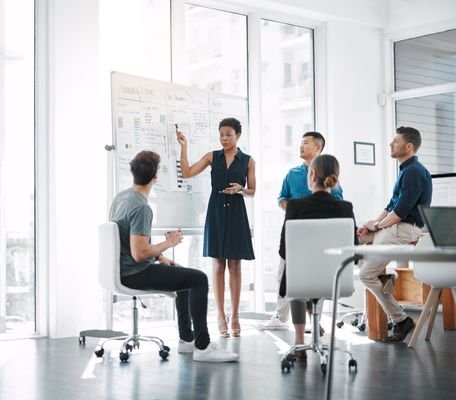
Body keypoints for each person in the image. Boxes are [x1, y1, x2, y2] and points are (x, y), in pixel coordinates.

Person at [110, 150, 239, 362]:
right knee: (199, 279)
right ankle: (203, 347)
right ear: (155, 177)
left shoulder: (121, 198)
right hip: (135, 272)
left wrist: (161, 258)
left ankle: (187, 340)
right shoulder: (141, 207)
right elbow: (139, 253)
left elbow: (129, 241)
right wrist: (168, 244)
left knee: (181, 274)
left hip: (124, 269)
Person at [176, 117, 255, 338]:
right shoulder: (212, 156)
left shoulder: (248, 161)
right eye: (221, 135)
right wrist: (184, 147)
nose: (224, 138)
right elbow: (188, 172)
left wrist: (241, 189)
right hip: (217, 212)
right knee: (219, 265)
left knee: (236, 266)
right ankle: (220, 315)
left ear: (238, 135)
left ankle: (236, 315)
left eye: (229, 134)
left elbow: (253, 191)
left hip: (237, 212)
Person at [262, 131, 343, 330]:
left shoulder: (328, 175)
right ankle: (281, 318)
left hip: (319, 238)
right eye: (300, 143)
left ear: (318, 147)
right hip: (293, 232)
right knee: (284, 275)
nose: (300, 146)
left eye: (305, 143)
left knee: (314, 278)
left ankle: (314, 321)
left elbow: (338, 202)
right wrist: (293, 210)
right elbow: (282, 198)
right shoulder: (292, 174)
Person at [357, 126, 432, 342]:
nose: (391, 144)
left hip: (404, 229)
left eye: (395, 141)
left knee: (366, 275)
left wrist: (378, 227)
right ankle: (388, 277)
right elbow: (391, 205)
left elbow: (399, 213)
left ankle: (400, 319)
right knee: (358, 238)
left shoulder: (415, 172)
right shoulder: (405, 171)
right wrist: (372, 224)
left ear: (408, 147)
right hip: (395, 227)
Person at [277, 154, 357, 357]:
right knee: (310, 276)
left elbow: (284, 250)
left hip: (299, 280)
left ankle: (299, 340)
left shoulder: (295, 206)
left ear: (311, 175)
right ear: (336, 178)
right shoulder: (345, 208)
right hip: (336, 280)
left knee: (295, 275)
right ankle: (312, 330)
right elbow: (354, 251)